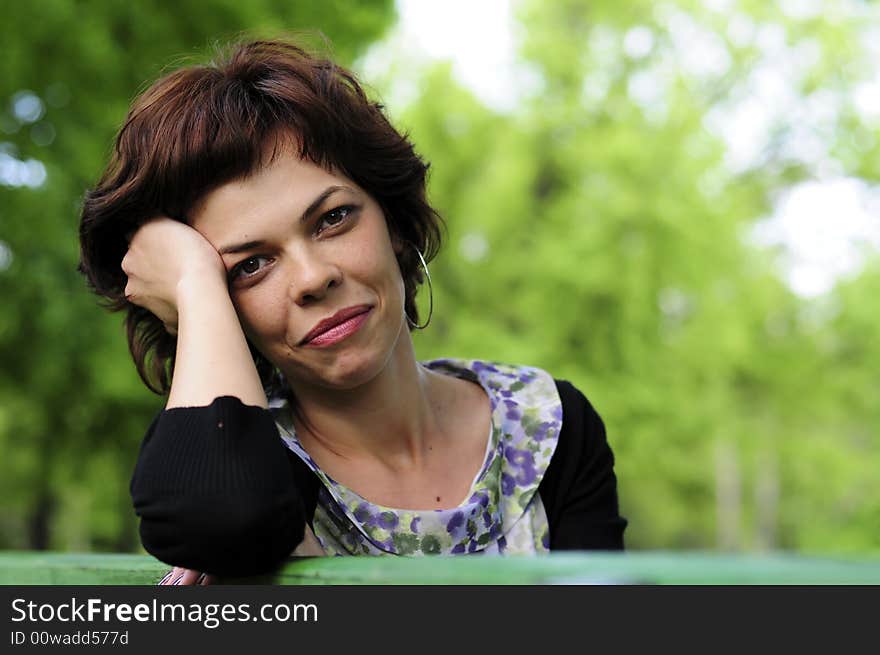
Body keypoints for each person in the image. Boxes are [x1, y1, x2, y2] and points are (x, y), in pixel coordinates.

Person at [78, 38, 627, 585]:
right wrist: (195, 280)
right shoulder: (250, 465)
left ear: (391, 220)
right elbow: (225, 517)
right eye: (250, 266)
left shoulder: (546, 424)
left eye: (333, 218)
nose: (314, 277)